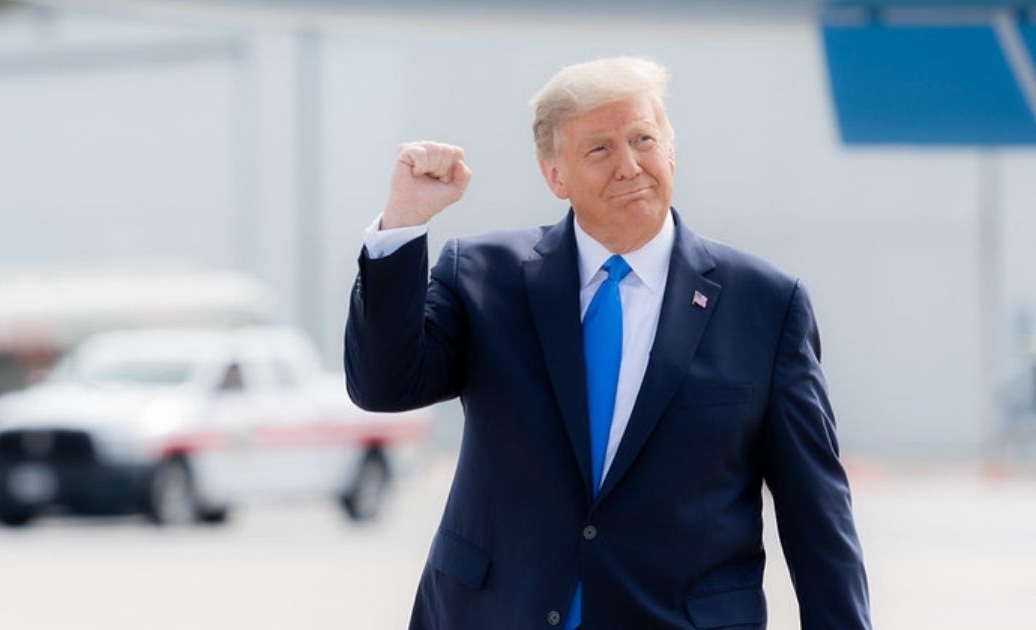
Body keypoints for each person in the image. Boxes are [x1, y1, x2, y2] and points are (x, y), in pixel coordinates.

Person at [344, 57, 870, 629]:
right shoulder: (482, 277)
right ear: (555, 176)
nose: (629, 166)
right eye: (599, 149)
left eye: (643, 139)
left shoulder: (766, 304)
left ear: (671, 149)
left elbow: (816, 514)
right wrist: (404, 224)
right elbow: (382, 386)